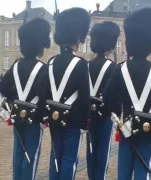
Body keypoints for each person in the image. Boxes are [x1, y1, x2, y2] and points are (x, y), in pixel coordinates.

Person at [102, 7, 151, 180]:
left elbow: (107, 97)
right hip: (149, 129)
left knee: (124, 170)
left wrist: (119, 116)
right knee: (143, 170)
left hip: (126, 127)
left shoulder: (120, 69)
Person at [0, 17, 50, 180]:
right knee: (31, 155)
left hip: (17, 115)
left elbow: (3, 88)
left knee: (19, 152)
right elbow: (45, 95)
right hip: (35, 118)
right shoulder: (43, 68)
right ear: (40, 47)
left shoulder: (16, 65)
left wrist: (17, 100)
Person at [43, 7, 91, 180]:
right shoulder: (81, 63)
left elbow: (46, 91)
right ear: (77, 40)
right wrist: (86, 121)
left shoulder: (51, 61)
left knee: (55, 155)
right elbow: (85, 96)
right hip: (73, 118)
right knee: (70, 158)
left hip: (54, 116)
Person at [86, 21, 120, 180]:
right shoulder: (113, 67)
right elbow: (115, 95)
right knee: (103, 151)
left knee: (90, 148)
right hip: (105, 114)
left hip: (89, 113)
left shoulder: (87, 65)